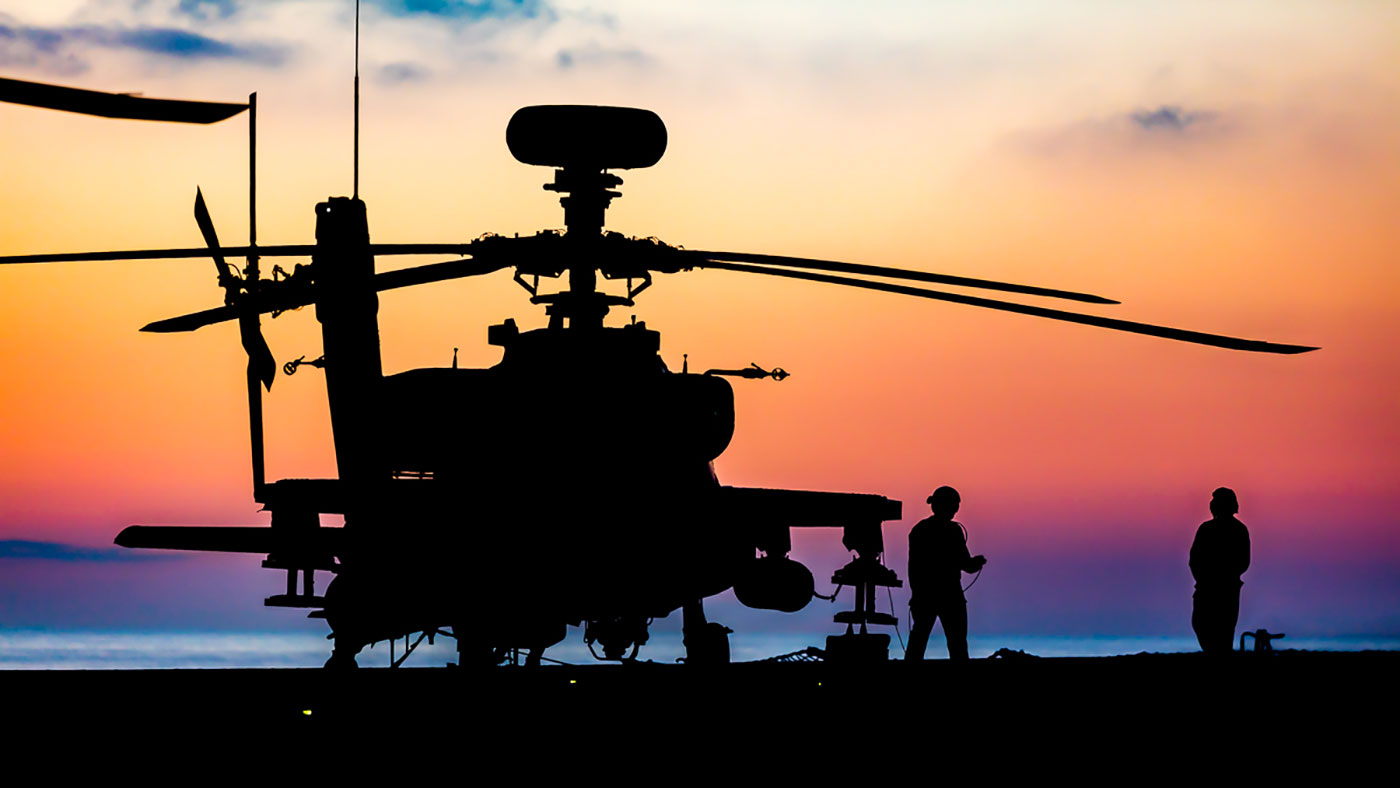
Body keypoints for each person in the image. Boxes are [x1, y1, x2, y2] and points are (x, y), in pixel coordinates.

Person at [905, 486, 986, 661]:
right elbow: (966, 565)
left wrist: (917, 594)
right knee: (957, 645)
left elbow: (914, 568)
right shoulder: (953, 531)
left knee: (918, 641)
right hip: (950, 596)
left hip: (923, 595)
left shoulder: (919, 530)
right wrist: (977, 563)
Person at [1190, 487, 1251, 654]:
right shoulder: (1206, 529)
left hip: (1226, 588)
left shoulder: (1238, 530)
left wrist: (1223, 576)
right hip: (1207, 587)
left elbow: (1244, 561)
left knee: (1223, 630)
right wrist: (1202, 579)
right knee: (1202, 624)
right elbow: (1194, 559)